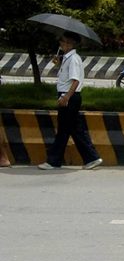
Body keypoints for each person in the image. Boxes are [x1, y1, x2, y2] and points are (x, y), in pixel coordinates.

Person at [37, 32, 103, 171]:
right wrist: (59, 63)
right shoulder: (67, 58)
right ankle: (92, 158)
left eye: (66, 42)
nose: (62, 44)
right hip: (68, 96)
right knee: (74, 129)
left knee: (63, 130)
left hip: (69, 96)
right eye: (62, 41)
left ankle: (54, 161)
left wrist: (66, 97)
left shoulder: (73, 59)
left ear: (71, 44)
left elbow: (75, 80)